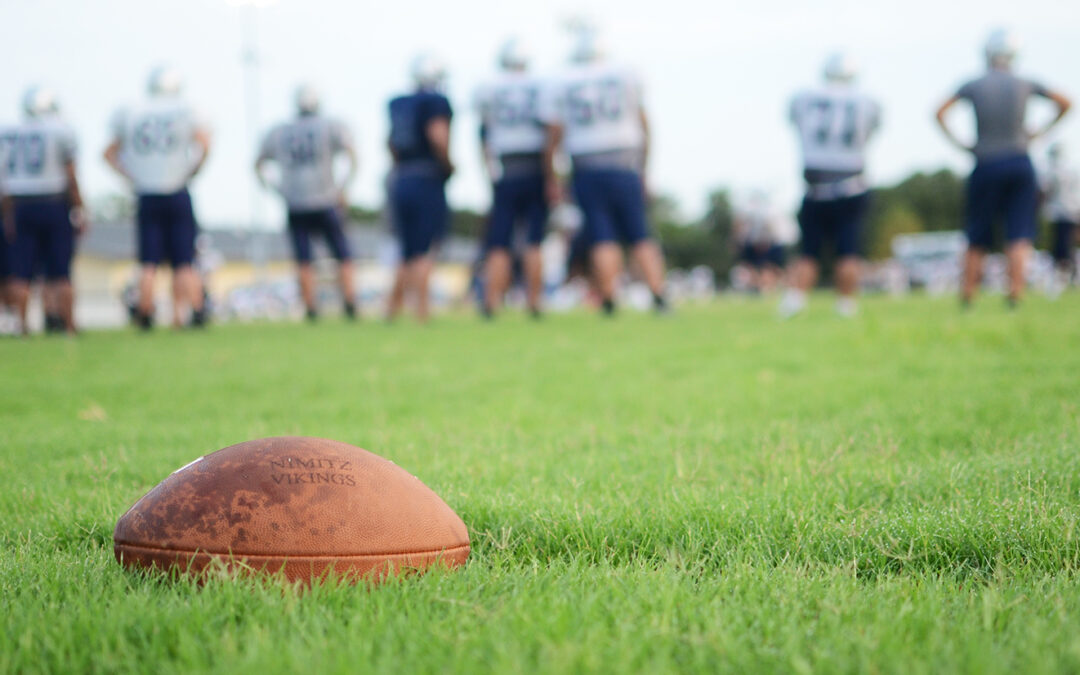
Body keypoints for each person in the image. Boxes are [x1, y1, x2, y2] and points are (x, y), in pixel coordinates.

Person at [935, 29, 1071, 308]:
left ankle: (968, 296)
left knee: (977, 233)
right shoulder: (1025, 82)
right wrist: (1039, 133)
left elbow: (940, 112)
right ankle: (1015, 296)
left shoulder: (973, 84)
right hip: (1019, 160)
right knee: (1019, 232)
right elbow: (1065, 102)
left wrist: (962, 145)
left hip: (985, 162)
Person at [545, 29, 668, 316]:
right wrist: (644, 168)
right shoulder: (626, 74)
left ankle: (610, 296)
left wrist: (553, 174)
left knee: (602, 235)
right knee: (640, 233)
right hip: (624, 162)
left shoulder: (563, 80)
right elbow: (644, 124)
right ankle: (658, 294)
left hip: (587, 165)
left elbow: (555, 134)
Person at [104, 65, 211, 330]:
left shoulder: (131, 111)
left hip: (147, 193)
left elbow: (108, 153)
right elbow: (205, 144)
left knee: (148, 262)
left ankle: (145, 313)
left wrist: (133, 176)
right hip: (177, 190)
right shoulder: (187, 109)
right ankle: (194, 311)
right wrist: (191, 171)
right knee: (184, 260)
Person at [780, 53, 881, 318]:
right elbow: (870, 133)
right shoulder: (867, 101)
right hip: (852, 182)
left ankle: (796, 300)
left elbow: (794, 122)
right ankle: (846, 304)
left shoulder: (803, 98)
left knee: (808, 251)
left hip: (816, 185)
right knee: (848, 249)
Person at [256, 85, 359, 321]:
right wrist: (342, 187)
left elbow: (259, 164)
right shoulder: (329, 126)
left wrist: (278, 189)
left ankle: (311, 308)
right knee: (343, 255)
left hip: (296, 203)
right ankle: (350, 303)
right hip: (325, 199)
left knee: (303, 259)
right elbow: (352, 154)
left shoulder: (280, 131)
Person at [474, 38, 557, 318]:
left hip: (506, 167)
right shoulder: (540, 85)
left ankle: (491, 301)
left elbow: (483, 134)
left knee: (499, 240)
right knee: (534, 240)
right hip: (533, 166)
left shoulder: (489, 87)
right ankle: (535, 302)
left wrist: (488, 170)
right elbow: (552, 127)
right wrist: (551, 173)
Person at [0, 87, 87, 335]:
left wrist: (7, 212)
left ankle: (23, 327)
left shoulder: (9, 132)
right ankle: (70, 325)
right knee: (61, 270)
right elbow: (71, 174)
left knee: (21, 271)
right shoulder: (61, 130)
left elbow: (4, 179)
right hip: (53, 202)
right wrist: (79, 207)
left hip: (20, 205)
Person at [385, 54, 454, 323]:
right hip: (426, 178)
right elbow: (437, 135)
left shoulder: (397, 104)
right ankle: (422, 312)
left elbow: (390, 142)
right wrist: (448, 165)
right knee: (425, 248)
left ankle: (392, 308)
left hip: (401, 177)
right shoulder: (436, 102)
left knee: (407, 249)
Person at [1041, 142, 1079, 296]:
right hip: (1073, 213)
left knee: (1061, 249)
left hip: (1061, 214)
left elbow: (1045, 191)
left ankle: (1062, 280)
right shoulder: (1074, 169)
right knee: (1066, 248)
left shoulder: (1053, 170)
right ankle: (1069, 278)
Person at [735, 191, 786, 294]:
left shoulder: (770, 212)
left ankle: (770, 286)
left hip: (768, 244)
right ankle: (762, 287)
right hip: (756, 244)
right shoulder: (751, 211)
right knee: (755, 267)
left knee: (769, 268)